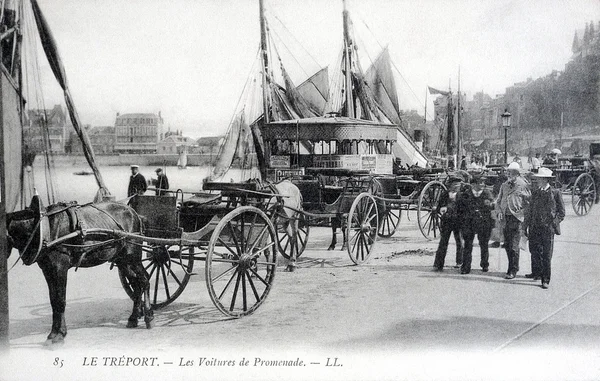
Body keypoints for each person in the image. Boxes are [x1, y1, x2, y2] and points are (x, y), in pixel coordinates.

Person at [522, 167, 565, 289]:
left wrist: (554, 223)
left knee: (546, 254)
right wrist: (525, 226)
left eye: (539, 179)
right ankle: (536, 272)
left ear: (546, 180)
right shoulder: (535, 192)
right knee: (534, 250)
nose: (537, 181)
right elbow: (529, 211)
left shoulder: (555, 193)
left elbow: (561, 212)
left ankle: (545, 279)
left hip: (548, 228)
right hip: (535, 226)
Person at [494, 162, 530, 279]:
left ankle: (512, 270)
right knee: (508, 244)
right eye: (508, 172)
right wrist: (499, 212)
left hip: (517, 218)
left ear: (517, 174)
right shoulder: (504, 185)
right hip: (505, 219)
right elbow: (498, 201)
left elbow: (528, 203)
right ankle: (513, 266)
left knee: (514, 245)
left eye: (512, 172)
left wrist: (524, 215)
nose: (509, 174)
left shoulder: (523, 185)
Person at [457, 175, 495, 274]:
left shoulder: (487, 194)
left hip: (484, 223)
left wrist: (490, 205)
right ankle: (466, 267)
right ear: (473, 184)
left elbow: (492, 206)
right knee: (468, 245)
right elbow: (460, 209)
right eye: (480, 183)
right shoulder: (466, 194)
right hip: (469, 223)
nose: (482, 184)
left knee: (484, 244)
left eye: (483, 182)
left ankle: (484, 264)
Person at [433, 176, 465, 271]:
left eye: (458, 185)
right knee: (443, 242)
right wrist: (441, 209)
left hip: (458, 221)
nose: (457, 187)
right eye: (455, 185)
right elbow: (439, 206)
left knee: (459, 241)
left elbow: (465, 208)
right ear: (450, 185)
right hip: (447, 221)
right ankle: (439, 264)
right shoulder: (444, 194)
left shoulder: (462, 195)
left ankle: (460, 261)